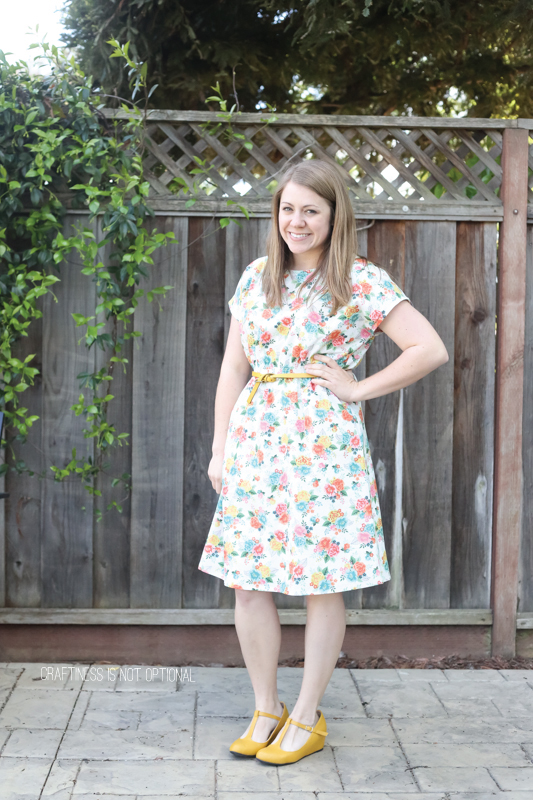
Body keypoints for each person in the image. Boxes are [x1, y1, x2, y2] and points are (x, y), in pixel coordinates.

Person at [198, 160, 448, 765]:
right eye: (288, 208)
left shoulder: (361, 282)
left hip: (322, 447)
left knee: (320, 581)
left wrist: (357, 389)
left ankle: (307, 716)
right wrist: (219, 448)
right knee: (249, 579)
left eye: (311, 210)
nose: (296, 221)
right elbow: (235, 367)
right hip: (256, 441)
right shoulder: (259, 276)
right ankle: (266, 709)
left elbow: (430, 348)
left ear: (335, 215)